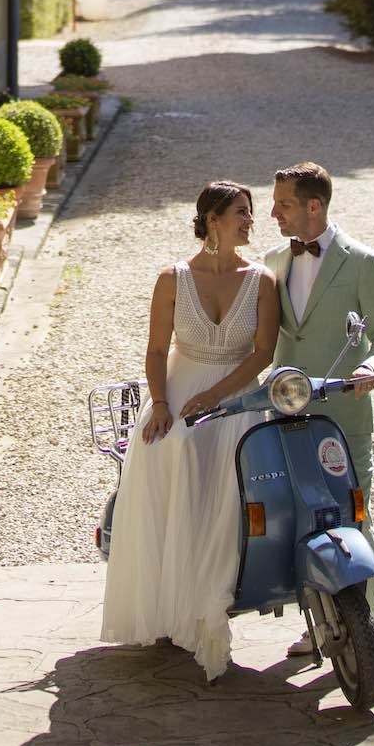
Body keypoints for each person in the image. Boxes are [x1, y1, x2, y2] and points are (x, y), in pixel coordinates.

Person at [100, 180, 280, 680]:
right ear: (214, 219)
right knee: (167, 457)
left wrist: (220, 394)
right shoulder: (172, 279)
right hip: (178, 393)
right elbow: (157, 350)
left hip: (238, 397)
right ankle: (166, 604)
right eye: (242, 212)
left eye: (250, 212)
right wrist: (160, 404)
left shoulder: (263, 279)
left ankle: (209, 604)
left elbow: (264, 352)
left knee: (227, 494)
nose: (250, 221)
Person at [264, 162, 374, 660]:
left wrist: (370, 368)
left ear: (313, 205)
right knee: (299, 518)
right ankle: (317, 626)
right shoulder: (274, 260)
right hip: (285, 412)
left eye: (283, 204)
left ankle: (367, 638)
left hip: (344, 413)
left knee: (353, 517)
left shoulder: (363, 262)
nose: (274, 212)